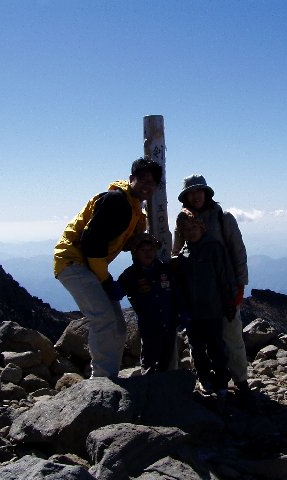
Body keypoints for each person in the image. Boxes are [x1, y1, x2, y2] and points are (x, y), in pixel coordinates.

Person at [53, 157, 162, 378]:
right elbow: (91, 244)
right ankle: (102, 380)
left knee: (118, 326)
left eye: (152, 182)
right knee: (103, 318)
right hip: (72, 262)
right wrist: (105, 280)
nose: (147, 185)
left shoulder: (132, 210)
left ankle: (107, 375)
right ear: (131, 179)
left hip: (90, 265)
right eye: (142, 179)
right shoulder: (116, 201)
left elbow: (117, 240)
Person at [172, 174, 253, 403]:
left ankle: (240, 379)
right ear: (186, 196)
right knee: (199, 341)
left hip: (223, 290)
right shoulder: (182, 220)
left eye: (199, 191)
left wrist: (240, 285)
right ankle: (207, 378)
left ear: (207, 193)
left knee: (231, 335)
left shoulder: (223, 217)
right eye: (191, 192)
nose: (196, 195)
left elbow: (238, 252)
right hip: (197, 296)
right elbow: (177, 254)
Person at [173, 208, 236, 395]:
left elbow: (224, 277)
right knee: (197, 348)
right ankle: (204, 378)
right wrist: (181, 309)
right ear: (181, 233)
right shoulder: (182, 256)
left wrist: (229, 302)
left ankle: (221, 381)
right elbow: (179, 286)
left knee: (216, 346)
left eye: (193, 227)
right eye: (185, 229)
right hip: (192, 313)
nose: (190, 231)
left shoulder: (214, 248)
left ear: (202, 227)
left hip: (213, 309)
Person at [118, 233, 178, 374]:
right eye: (143, 250)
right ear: (135, 252)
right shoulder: (130, 275)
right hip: (149, 326)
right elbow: (117, 292)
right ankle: (149, 390)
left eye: (151, 249)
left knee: (166, 360)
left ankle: (164, 391)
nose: (148, 253)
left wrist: (181, 314)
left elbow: (176, 292)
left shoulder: (165, 269)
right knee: (149, 361)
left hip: (169, 323)